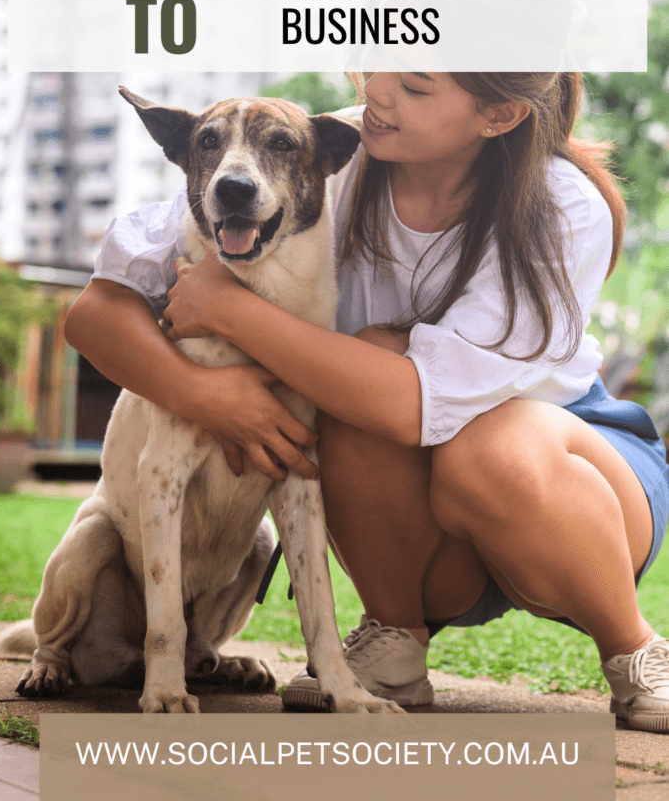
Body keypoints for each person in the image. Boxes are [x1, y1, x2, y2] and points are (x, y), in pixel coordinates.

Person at [65, 71, 669, 732]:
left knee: (466, 431)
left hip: (571, 495)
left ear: (495, 114)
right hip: (427, 535)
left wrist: (231, 310)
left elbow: (410, 403)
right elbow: (96, 312)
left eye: (413, 87)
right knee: (360, 372)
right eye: (378, 66)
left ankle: (634, 649)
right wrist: (205, 394)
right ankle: (395, 634)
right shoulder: (326, 150)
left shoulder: (560, 205)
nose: (379, 92)